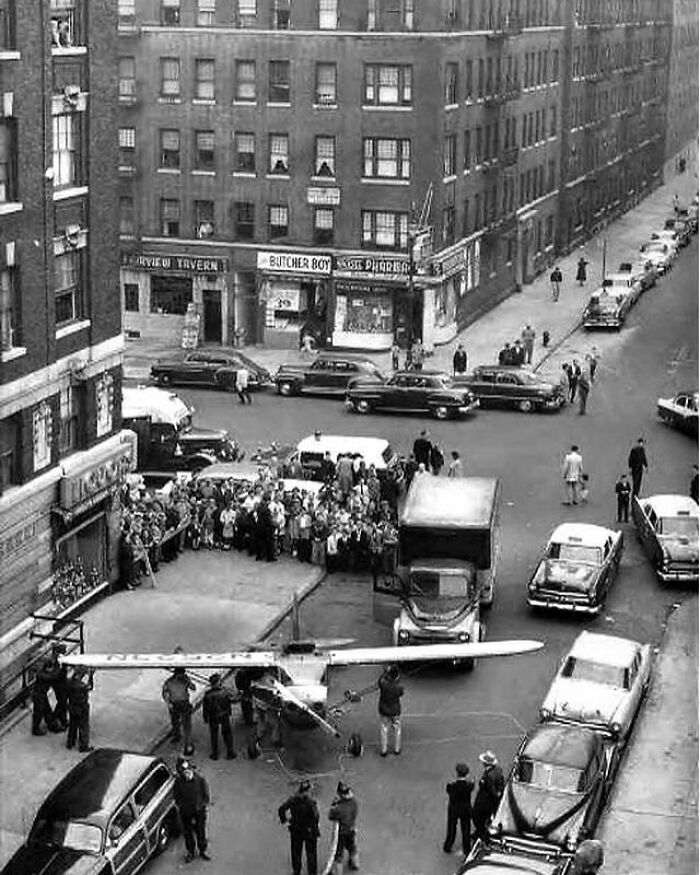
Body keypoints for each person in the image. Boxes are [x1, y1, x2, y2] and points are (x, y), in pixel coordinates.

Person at [278, 779, 320, 875]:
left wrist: (285, 821)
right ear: (307, 791)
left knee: (296, 852)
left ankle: (296, 871)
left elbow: (281, 809)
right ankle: (312, 872)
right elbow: (316, 817)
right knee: (311, 853)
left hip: (296, 829)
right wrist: (316, 831)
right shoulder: (311, 803)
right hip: (309, 831)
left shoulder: (293, 800)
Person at [173, 758, 212, 863]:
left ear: (192, 771)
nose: (187, 774)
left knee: (200, 832)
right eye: (185, 772)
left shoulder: (199, 780)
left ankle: (202, 850)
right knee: (188, 833)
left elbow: (206, 795)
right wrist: (181, 806)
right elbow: (176, 796)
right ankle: (191, 852)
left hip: (198, 811)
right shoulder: (178, 782)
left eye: (189, 771)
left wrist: (202, 806)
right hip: (186, 813)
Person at [471, 750, 505, 845]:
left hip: (485, 801)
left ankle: (484, 837)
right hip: (491, 801)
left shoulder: (489, 776)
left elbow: (491, 790)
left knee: (477, 818)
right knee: (483, 818)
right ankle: (478, 833)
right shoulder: (498, 769)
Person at [202, 674, 236, 760]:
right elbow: (233, 700)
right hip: (224, 715)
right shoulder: (225, 692)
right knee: (227, 734)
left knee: (214, 735)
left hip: (213, 717)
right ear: (218, 682)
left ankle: (215, 754)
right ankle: (230, 752)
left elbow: (205, 708)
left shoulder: (207, 694)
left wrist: (205, 718)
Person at [163, 666, 196, 751]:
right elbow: (165, 693)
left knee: (184, 724)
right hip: (177, 703)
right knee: (177, 723)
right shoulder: (170, 681)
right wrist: (169, 703)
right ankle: (179, 737)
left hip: (180, 703)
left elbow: (193, 688)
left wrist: (188, 681)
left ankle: (185, 741)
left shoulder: (182, 680)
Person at [443, 762, 474, 855]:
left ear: (457, 773)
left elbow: (448, 790)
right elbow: (472, 786)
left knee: (452, 827)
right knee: (466, 828)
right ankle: (467, 848)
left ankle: (448, 845)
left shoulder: (452, 785)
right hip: (465, 808)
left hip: (454, 808)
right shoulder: (469, 785)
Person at [329, 781, 359, 874]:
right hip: (351, 828)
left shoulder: (339, 808)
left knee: (338, 854)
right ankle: (355, 863)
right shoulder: (354, 802)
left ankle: (337, 872)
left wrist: (334, 804)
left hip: (341, 833)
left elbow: (331, 816)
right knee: (352, 847)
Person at [377, 664, 404, 756]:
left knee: (384, 729)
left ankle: (384, 750)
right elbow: (401, 693)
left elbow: (379, 681)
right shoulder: (399, 687)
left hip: (384, 709)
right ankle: (397, 749)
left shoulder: (383, 684)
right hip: (395, 710)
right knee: (397, 729)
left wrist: (384, 673)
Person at [66, 668, 94, 752]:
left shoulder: (69, 683)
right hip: (82, 707)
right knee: (84, 726)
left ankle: (70, 743)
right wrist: (91, 677)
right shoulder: (82, 686)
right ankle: (83, 746)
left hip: (72, 706)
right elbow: (90, 686)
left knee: (73, 725)